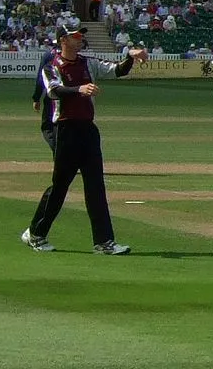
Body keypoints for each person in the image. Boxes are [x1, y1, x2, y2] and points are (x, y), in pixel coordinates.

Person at [23, 26, 146, 255]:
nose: (80, 39)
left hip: (88, 130)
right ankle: (36, 233)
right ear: (63, 40)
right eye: (75, 36)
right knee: (59, 187)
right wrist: (80, 89)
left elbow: (117, 71)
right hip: (66, 130)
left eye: (81, 36)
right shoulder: (52, 66)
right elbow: (54, 91)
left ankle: (104, 242)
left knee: (96, 187)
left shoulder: (88, 63)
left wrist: (129, 57)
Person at [31, 48, 57, 153]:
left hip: (52, 95)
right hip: (72, 95)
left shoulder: (48, 55)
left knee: (48, 128)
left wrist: (36, 98)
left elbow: (41, 78)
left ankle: (60, 154)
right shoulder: (74, 54)